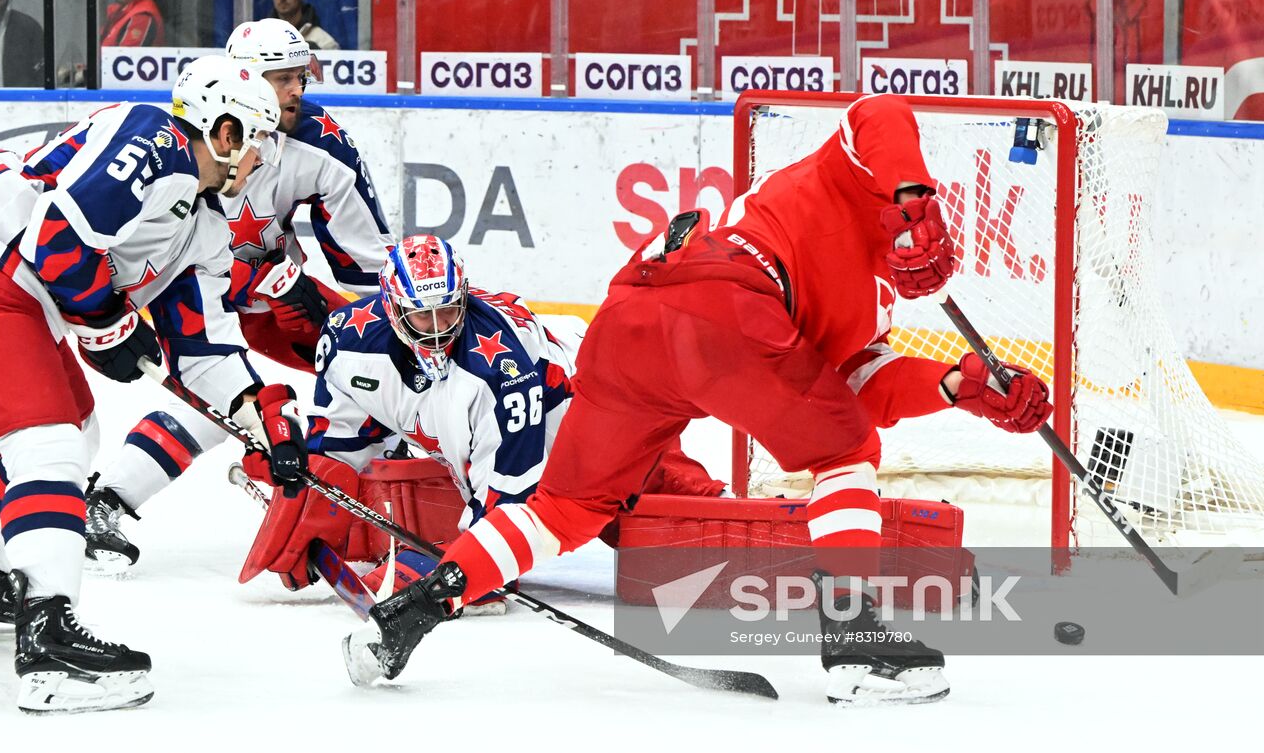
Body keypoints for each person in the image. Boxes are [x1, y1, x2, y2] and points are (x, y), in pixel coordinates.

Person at [346, 94, 1053, 706]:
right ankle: (857, 645)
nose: (913, 262)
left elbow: (860, 388)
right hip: (726, 305)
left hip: (633, 317)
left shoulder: (871, 309)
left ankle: (414, 608)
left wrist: (957, 386)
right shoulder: (848, 174)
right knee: (847, 454)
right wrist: (911, 196)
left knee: (567, 506)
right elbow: (880, 112)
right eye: (915, 243)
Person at [0, 55, 297, 714]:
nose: (259, 162)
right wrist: (109, 324)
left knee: (78, 432)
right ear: (224, 133)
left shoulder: (203, 227)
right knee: (48, 444)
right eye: (255, 143)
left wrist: (266, 423)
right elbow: (58, 240)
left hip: (12, 290)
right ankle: (49, 639)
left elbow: (204, 351)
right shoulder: (150, 139)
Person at [236, 234, 724, 606]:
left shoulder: (502, 369)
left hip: (584, 409)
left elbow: (514, 500)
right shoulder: (347, 342)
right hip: (486, 441)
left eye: (447, 311)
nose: (436, 330)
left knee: (666, 546)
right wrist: (314, 487)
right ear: (389, 306)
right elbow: (348, 448)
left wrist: (452, 570)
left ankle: (757, 539)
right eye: (420, 317)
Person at [82, 19, 394, 573]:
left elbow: (368, 262)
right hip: (197, 285)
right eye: (280, 78)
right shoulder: (192, 143)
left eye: (301, 75)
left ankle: (394, 485)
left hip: (277, 297)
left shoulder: (320, 145)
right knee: (213, 401)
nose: (296, 89)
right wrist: (261, 281)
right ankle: (107, 500)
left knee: (381, 359)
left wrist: (383, 315)